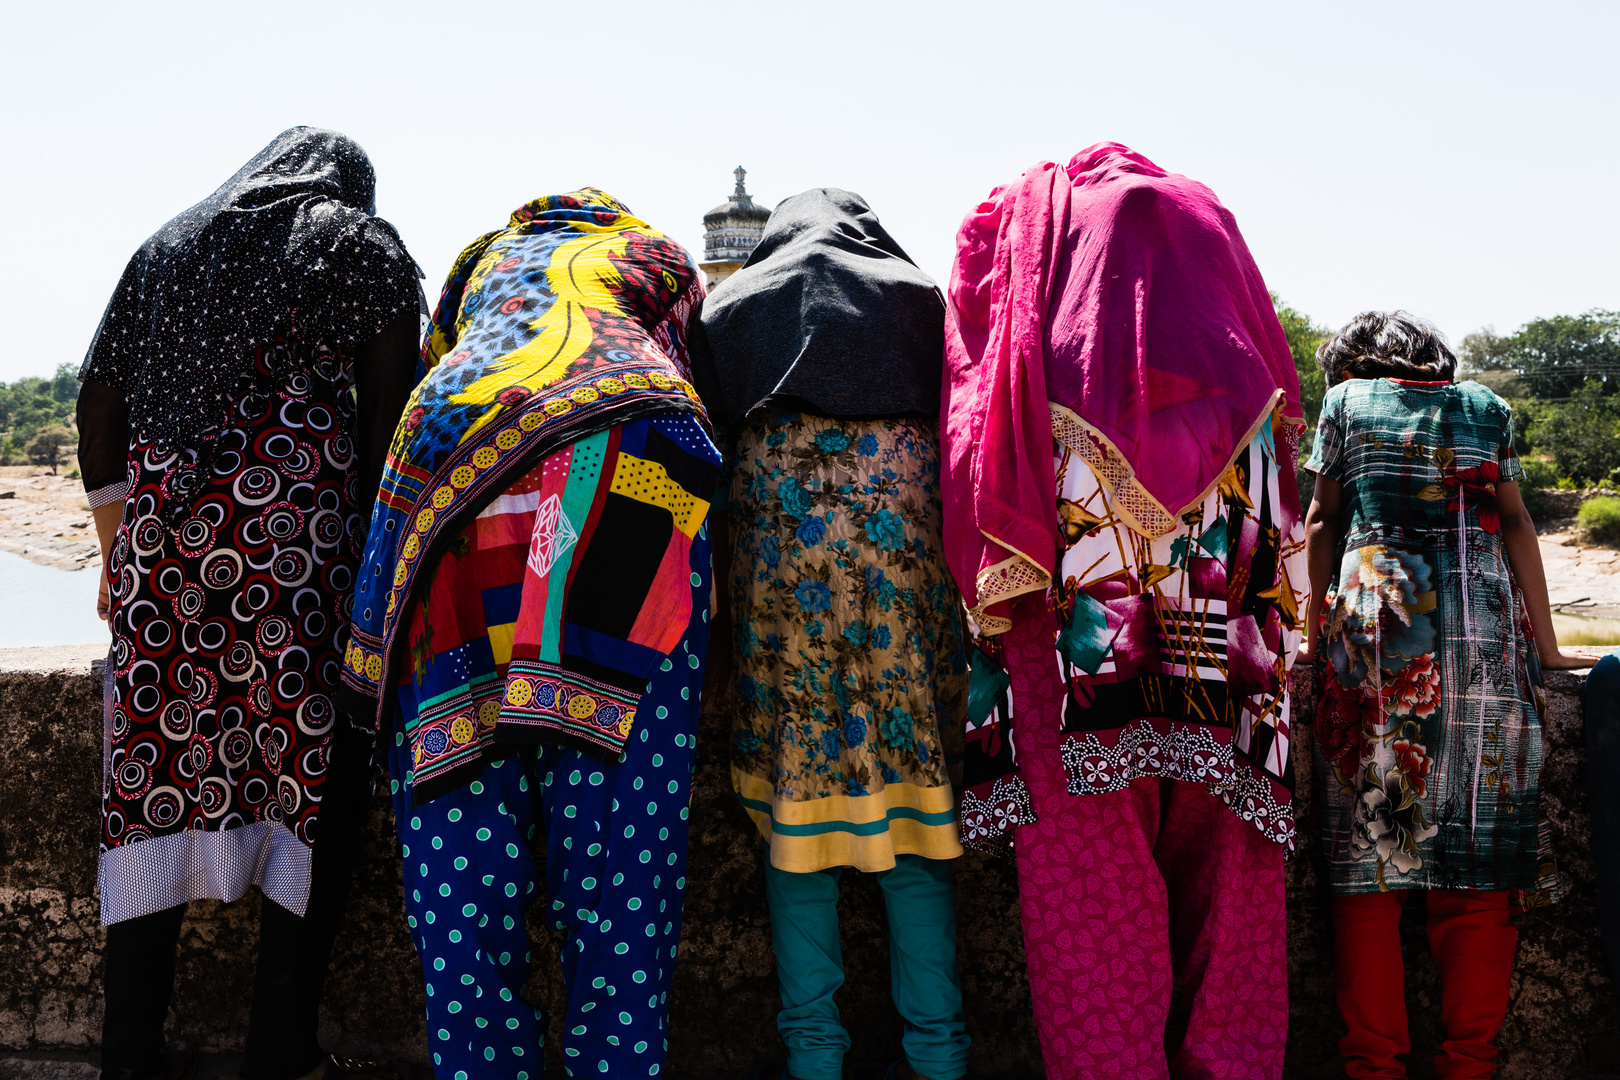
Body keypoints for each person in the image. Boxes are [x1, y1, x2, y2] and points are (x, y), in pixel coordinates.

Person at [940, 144, 1306, 1080]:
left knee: (1088, 881)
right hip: (1227, 605)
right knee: (1236, 862)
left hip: (1080, 609)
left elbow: (975, 411)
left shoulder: (1034, 349)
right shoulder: (1248, 403)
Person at [340, 188, 717, 1080]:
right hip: (627, 455)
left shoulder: (479, 263)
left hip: (455, 465)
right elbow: (699, 380)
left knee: (461, 830)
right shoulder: (657, 258)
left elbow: (431, 358)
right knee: (621, 848)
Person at [78, 128, 424, 1080]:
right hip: (295, 548)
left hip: (163, 545)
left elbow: (98, 410)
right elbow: (392, 426)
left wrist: (123, 552)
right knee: (313, 777)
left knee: (150, 770)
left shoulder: (166, 245)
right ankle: (280, 1050)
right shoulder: (359, 244)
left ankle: (129, 1055)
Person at [690, 188, 972, 1080]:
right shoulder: (921, 304)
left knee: (795, 827)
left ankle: (815, 1060)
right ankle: (940, 1057)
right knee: (919, 831)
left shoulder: (730, 309)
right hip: (905, 639)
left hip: (788, 635)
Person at [1300, 311, 1602, 1079]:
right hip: (1486, 653)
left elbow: (1321, 524)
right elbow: (1519, 527)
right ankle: (1469, 1066)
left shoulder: (1346, 405)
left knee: (1372, 867)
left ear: (1352, 366)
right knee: (1480, 867)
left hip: (1378, 648)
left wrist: (1308, 635)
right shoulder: (1487, 409)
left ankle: (1376, 1068)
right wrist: (1549, 645)